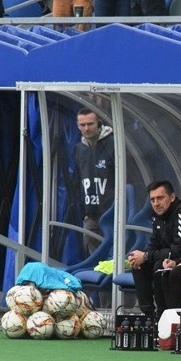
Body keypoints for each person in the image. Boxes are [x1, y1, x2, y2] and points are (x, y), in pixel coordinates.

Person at [126, 180, 181, 321]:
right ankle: (149, 317)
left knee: (157, 265)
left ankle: (164, 317)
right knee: (138, 264)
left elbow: (178, 250)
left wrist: (147, 255)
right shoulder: (157, 215)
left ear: (172, 197)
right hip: (166, 257)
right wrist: (143, 256)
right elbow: (154, 243)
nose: (156, 203)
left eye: (160, 198)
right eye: (153, 199)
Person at [74, 108, 115, 257]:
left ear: (99, 123)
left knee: (113, 253)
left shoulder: (113, 144)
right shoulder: (78, 149)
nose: (86, 128)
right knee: (94, 256)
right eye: (82, 124)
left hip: (111, 212)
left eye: (90, 124)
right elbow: (77, 182)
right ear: (78, 125)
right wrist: (83, 213)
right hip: (90, 215)